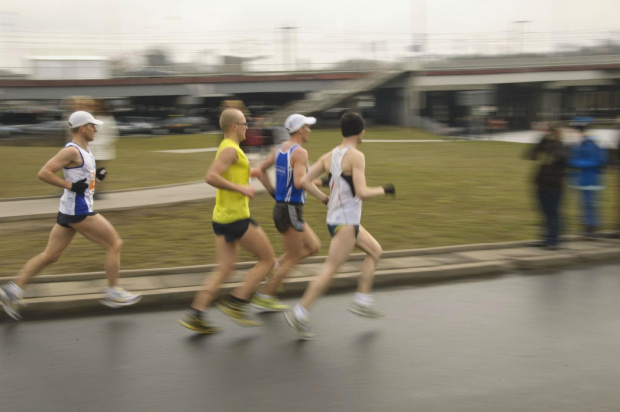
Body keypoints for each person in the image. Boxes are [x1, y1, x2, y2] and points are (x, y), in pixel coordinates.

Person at [0, 111, 142, 320]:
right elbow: (44, 173)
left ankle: (12, 291)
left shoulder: (85, 150)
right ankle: (113, 293)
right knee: (115, 244)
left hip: (69, 209)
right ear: (83, 128)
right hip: (79, 210)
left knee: (51, 255)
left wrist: (97, 175)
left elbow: (83, 179)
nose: (96, 129)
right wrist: (69, 185)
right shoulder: (71, 151)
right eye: (93, 126)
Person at [284, 112, 395, 340]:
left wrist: (323, 196)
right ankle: (299, 312)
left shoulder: (329, 155)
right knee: (330, 269)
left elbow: (305, 181)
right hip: (346, 222)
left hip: (340, 220)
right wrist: (386, 189)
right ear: (360, 131)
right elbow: (362, 192)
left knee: (375, 250)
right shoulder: (356, 156)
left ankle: (362, 300)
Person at [179, 108, 276, 333]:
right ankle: (237, 302)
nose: (247, 128)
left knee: (224, 269)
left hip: (221, 218)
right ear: (234, 126)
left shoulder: (229, 149)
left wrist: (250, 174)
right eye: (244, 124)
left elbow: (230, 173)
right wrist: (240, 187)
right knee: (268, 260)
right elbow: (211, 176)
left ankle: (196, 315)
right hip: (237, 217)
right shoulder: (230, 150)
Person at [252, 114, 328, 312]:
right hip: (291, 209)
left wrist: (273, 192)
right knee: (294, 256)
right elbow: (299, 182)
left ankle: (277, 268)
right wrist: (325, 189)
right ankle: (266, 294)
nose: (309, 130)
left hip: (283, 208)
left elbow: (260, 170)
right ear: (300, 129)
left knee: (313, 247)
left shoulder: (280, 148)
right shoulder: (300, 153)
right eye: (307, 126)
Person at [525, 123, 568, 250]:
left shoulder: (561, 147)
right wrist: (540, 142)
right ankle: (545, 238)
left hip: (554, 187)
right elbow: (530, 155)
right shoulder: (545, 146)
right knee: (543, 214)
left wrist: (550, 143)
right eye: (547, 132)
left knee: (552, 213)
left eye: (551, 132)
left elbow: (559, 156)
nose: (548, 134)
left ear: (557, 134)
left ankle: (553, 240)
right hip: (542, 184)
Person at [567, 117, 607, 237]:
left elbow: (596, 160)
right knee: (584, 203)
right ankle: (588, 225)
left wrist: (574, 163)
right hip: (583, 178)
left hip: (590, 178)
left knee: (589, 203)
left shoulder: (590, 143)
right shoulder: (581, 143)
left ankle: (591, 226)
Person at [89, 100, 118, 197]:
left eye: (97, 106)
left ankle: (99, 191)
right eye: (94, 106)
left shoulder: (108, 119)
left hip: (103, 150)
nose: (95, 108)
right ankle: (91, 191)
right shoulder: (91, 118)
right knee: (90, 172)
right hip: (91, 149)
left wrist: (104, 144)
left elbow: (113, 134)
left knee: (100, 172)